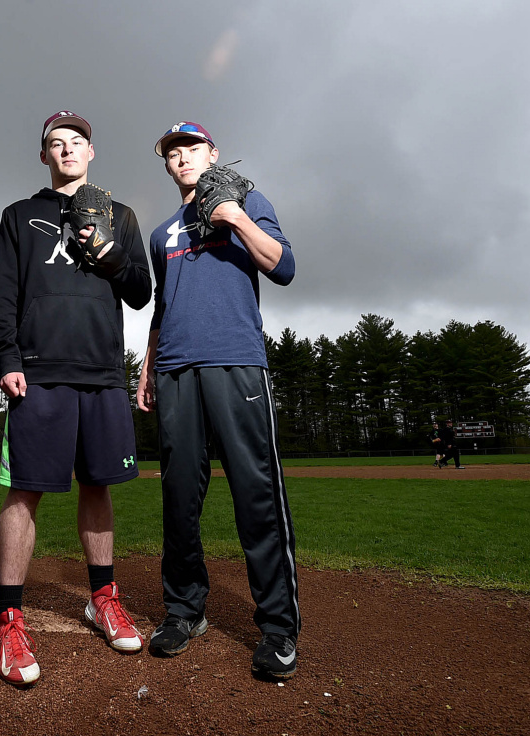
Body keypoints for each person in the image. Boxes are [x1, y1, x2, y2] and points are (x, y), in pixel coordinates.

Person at [0, 111, 152, 686]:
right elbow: (3, 295)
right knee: (24, 491)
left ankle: (102, 597)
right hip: (38, 372)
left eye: (75, 143)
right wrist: (6, 359)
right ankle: (8, 618)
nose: (66, 151)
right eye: (54, 144)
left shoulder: (122, 214)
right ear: (43, 156)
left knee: (98, 484)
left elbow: (139, 292)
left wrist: (108, 251)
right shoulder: (19, 215)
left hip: (103, 372)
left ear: (91, 151)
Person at [137, 122, 301, 680]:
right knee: (179, 497)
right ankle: (184, 611)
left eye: (192, 148)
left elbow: (284, 266)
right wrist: (148, 365)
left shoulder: (248, 200)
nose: (182, 158)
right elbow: (163, 305)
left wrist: (233, 215)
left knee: (256, 495)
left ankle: (277, 627)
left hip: (236, 362)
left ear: (213, 154)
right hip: (177, 368)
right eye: (172, 152)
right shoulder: (163, 233)